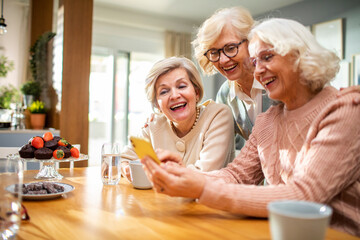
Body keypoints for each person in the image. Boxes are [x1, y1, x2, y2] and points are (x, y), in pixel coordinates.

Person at [141, 18, 360, 236]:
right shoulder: (268, 121)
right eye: (255, 62)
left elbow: (304, 195)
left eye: (267, 57)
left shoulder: (346, 109)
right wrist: (183, 175)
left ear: (298, 56)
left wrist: (202, 187)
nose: (258, 72)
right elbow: (237, 174)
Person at [121, 57, 235, 180]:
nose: (174, 96)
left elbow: (204, 174)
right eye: (164, 92)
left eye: (181, 86)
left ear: (196, 93)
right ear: (157, 105)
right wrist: (126, 168)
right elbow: (122, 159)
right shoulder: (153, 125)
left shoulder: (218, 115)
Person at [192, 7, 272, 150]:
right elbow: (230, 148)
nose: (222, 60)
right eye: (214, 52)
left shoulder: (276, 79)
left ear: (251, 41)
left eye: (230, 48)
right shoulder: (224, 94)